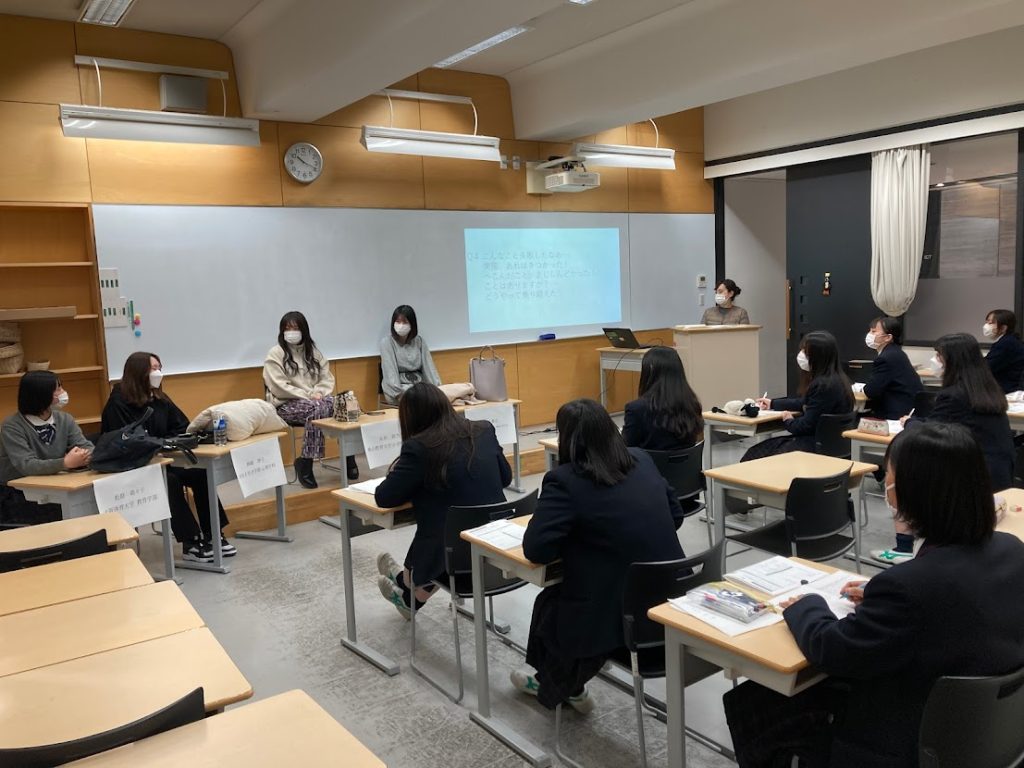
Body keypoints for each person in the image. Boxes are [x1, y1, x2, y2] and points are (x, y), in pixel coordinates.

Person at [723, 422, 1024, 768]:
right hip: (985, 735)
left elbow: (833, 649)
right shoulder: (1012, 551)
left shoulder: (909, 587)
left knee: (761, 697)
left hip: (903, 742)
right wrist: (881, 603)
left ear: (916, 492)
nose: (888, 490)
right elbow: (949, 608)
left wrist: (808, 605)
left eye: (890, 478)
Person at [511, 399, 686, 714]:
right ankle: (567, 682)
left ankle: (559, 684)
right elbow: (675, 517)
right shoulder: (642, 459)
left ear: (566, 440)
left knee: (551, 605)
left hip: (623, 620)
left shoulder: (564, 480)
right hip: (673, 603)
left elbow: (536, 550)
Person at [872, 332, 1014, 564]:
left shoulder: (953, 395)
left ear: (952, 361)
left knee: (903, 473)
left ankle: (904, 547)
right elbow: (947, 424)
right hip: (997, 471)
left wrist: (910, 423)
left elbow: (933, 433)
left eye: (938, 356)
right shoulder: (987, 389)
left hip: (968, 476)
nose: (934, 361)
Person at [374, 382, 510, 619]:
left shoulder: (418, 448)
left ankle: (406, 589)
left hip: (457, 557)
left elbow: (384, 497)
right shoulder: (483, 429)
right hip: (500, 544)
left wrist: (399, 471)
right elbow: (505, 477)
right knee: (450, 526)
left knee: (439, 534)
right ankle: (405, 586)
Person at [102, 351, 233, 562]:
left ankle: (214, 533)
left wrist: (168, 442)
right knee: (169, 481)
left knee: (200, 474)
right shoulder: (118, 404)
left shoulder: (159, 398)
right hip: (135, 467)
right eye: (153, 369)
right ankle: (191, 541)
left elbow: (182, 426)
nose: (158, 373)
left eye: (159, 368)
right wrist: (158, 444)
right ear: (138, 372)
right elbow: (125, 441)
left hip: (164, 460)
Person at [264, 311, 357, 488]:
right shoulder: (275, 354)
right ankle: (305, 462)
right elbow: (278, 386)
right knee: (318, 409)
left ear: (304, 330)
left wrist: (319, 393)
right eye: (287, 328)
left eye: (295, 328)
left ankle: (348, 452)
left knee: (345, 403)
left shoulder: (313, 353)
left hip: (315, 401)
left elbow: (326, 378)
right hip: (285, 404)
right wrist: (309, 395)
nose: (291, 332)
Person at [0, 371, 92, 525]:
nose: (63, 392)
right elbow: (27, 465)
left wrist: (85, 456)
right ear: (41, 395)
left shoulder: (64, 419)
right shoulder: (12, 426)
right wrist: (65, 463)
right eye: (58, 389)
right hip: (20, 496)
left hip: (57, 487)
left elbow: (86, 446)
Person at [745, 331, 854, 461]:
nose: (800, 355)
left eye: (805, 351)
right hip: (834, 445)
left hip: (815, 445)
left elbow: (804, 426)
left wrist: (788, 420)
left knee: (753, 454)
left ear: (817, 356)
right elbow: (804, 402)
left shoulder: (822, 385)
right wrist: (773, 403)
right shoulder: (839, 380)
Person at [623, 345, 703, 451]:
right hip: (688, 461)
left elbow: (627, 448)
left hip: (650, 462)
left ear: (649, 371)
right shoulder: (692, 403)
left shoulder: (636, 409)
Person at [854, 316, 923, 420]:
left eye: (874, 331)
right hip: (908, 409)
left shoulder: (885, 358)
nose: (869, 335)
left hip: (895, 414)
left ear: (888, 337)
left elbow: (870, 391)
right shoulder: (895, 352)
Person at [380, 304, 441, 405]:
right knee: (422, 399)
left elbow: (429, 368)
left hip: (420, 387)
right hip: (400, 391)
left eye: (405, 322)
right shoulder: (387, 343)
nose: (401, 325)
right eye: (398, 322)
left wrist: (437, 389)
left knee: (448, 393)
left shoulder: (419, 341)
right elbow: (390, 374)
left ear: (412, 324)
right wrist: (399, 394)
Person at [983, 308, 1024, 393]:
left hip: (1007, 390)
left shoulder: (1006, 344)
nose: (986, 326)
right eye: (987, 322)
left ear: (1003, 328)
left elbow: (986, 367)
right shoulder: (1009, 340)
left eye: (991, 323)